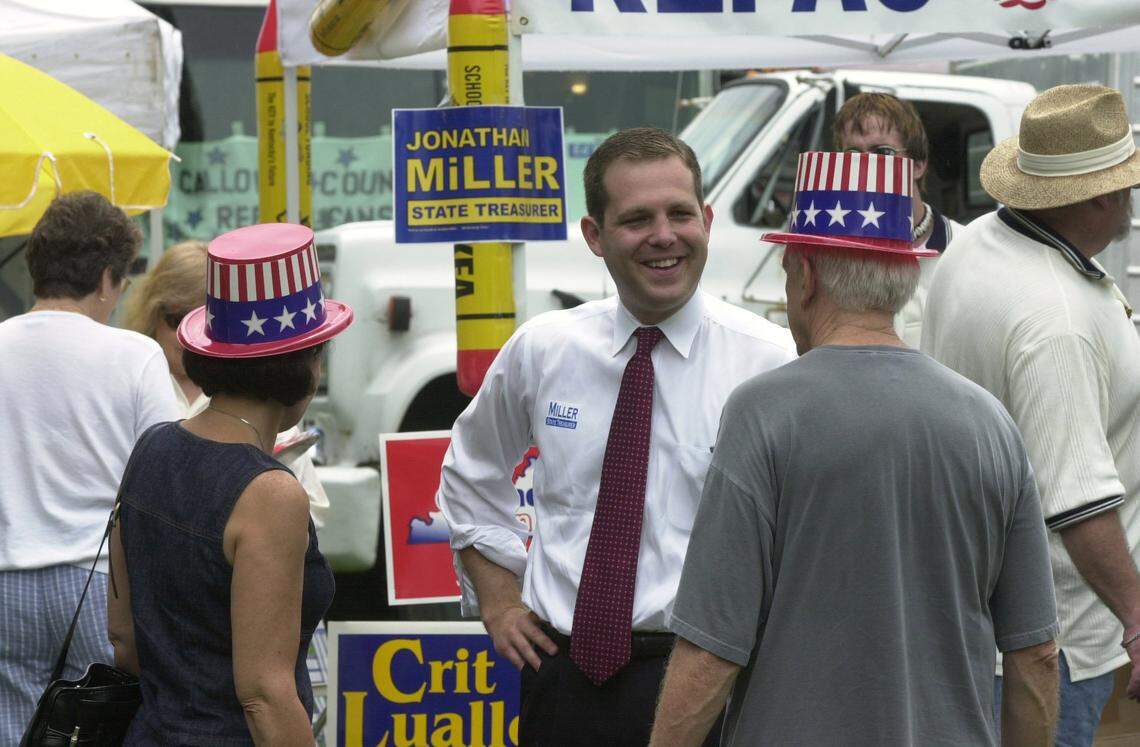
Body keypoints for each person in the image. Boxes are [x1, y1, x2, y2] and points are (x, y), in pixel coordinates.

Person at [650, 151, 1060, 746]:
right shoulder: (989, 423)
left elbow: (712, 648)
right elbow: (1037, 653)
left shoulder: (764, 413)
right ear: (903, 277)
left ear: (805, 274)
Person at [436, 127, 795, 745]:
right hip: (562, 680)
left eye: (680, 213)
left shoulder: (768, 361)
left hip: (712, 683)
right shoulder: (544, 349)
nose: (664, 235)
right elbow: (470, 472)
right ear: (595, 237)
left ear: (707, 220)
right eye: (636, 219)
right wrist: (497, 599)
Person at [922, 84, 1140, 746]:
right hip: (1054, 638)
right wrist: (1136, 615)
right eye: (1128, 181)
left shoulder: (981, 241)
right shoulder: (1057, 319)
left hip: (977, 617)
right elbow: (1076, 501)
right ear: (1101, 194)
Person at [106, 223, 353, 743]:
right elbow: (264, 694)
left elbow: (124, 639)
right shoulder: (270, 491)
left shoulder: (151, 448)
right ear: (303, 365)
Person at [0, 191, 181, 742]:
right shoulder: (135, 356)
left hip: (6, 579)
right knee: (104, 728)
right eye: (123, 282)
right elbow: (163, 476)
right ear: (106, 278)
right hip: (103, 586)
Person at [123, 238, 330, 529]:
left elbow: (314, 511)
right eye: (176, 319)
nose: (185, 337)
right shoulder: (132, 381)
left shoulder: (251, 393)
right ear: (152, 313)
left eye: (200, 325)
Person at [834, 92, 964, 347]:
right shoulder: (831, 254)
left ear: (919, 165)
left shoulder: (964, 249)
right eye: (853, 154)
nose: (866, 164)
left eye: (882, 152)